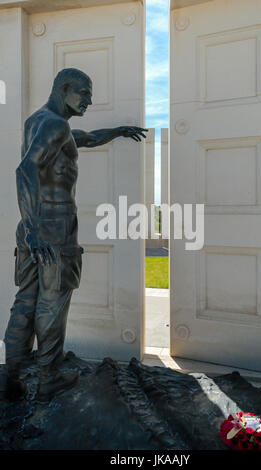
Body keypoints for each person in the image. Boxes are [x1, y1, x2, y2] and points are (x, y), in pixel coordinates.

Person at [2, 68, 147, 402]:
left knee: (25, 299)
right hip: (52, 227)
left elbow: (87, 138)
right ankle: (49, 377)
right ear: (64, 89)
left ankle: (10, 377)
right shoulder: (55, 125)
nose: (90, 100)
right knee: (52, 301)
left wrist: (119, 130)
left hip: (32, 228)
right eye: (84, 93)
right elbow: (25, 170)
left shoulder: (40, 122)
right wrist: (38, 230)